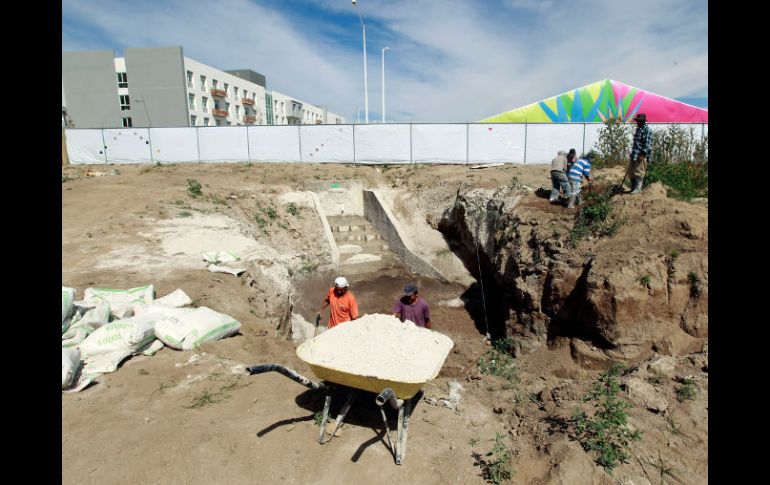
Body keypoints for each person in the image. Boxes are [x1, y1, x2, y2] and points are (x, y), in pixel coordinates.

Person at [628, 113, 653, 194]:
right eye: (637, 121)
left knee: (639, 171)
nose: (637, 122)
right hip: (634, 154)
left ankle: (638, 189)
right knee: (631, 171)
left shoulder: (647, 130)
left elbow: (648, 144)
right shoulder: (638, 129)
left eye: (639, 121)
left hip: (641, 154)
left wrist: (643, 154)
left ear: (643, 121)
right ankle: (633, 187)